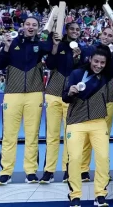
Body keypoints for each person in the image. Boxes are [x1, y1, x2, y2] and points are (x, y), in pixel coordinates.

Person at [0, 17, 53, 185]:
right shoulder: (12, 43)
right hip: (12, 94)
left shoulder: (40, 44)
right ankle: (6, 172)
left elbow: (48, 47)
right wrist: (6, 47)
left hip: (34, 94)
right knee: (9, 135)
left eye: (34, 25)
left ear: (37, 28)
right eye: (28, 24)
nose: (30, 27)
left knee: (32, 135)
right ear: (22, 26)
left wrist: (45, 33)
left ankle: (31, 172)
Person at [63, 43, 113, 207]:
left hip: (98, 122)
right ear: (90, 60)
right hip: (76, 122)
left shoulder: (105, 76)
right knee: (74, 158)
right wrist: (70, 92)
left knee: (103, 158)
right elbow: (64, 97)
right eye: (96, 62)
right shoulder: (76, 74)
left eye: (102, 63)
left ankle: (100, 194)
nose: (99, 66)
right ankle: (75, 195)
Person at [41, 22, 87, 183]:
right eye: (72, 29)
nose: (75, 31)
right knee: (52, 135)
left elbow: (81, 71)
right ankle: (49, 170)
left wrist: (77, 58)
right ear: (66, 31)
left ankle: (69, 169)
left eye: (77, 29)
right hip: (53, 94)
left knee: (70, 135)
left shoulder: (81, 49)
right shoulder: (58, 44)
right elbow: (50, 65)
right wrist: (54, 48)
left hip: (71, 96)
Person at [81, 26, 113, 181]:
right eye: (105, 34)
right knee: (86, 139)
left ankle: (103, 172)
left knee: (103, 141)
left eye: (110, 36)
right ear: (100, 34)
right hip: (88, 101)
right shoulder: (88, 50)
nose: (106, 37)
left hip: (107, 102)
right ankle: (83, 170)